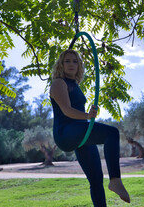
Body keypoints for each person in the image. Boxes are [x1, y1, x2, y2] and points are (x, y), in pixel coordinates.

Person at [49, 49, 130, 206]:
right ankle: (115, 180)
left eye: (75, 61)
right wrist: (88, 115)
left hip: (81, 134)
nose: (72, 64)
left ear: (79, 65)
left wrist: (88, 116)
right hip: (65, 133)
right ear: (61, 64)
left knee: (96, 180)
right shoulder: (59, 83)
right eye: (67, 61)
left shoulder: (75, 84)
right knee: (112, 133)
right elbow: (66, 110)